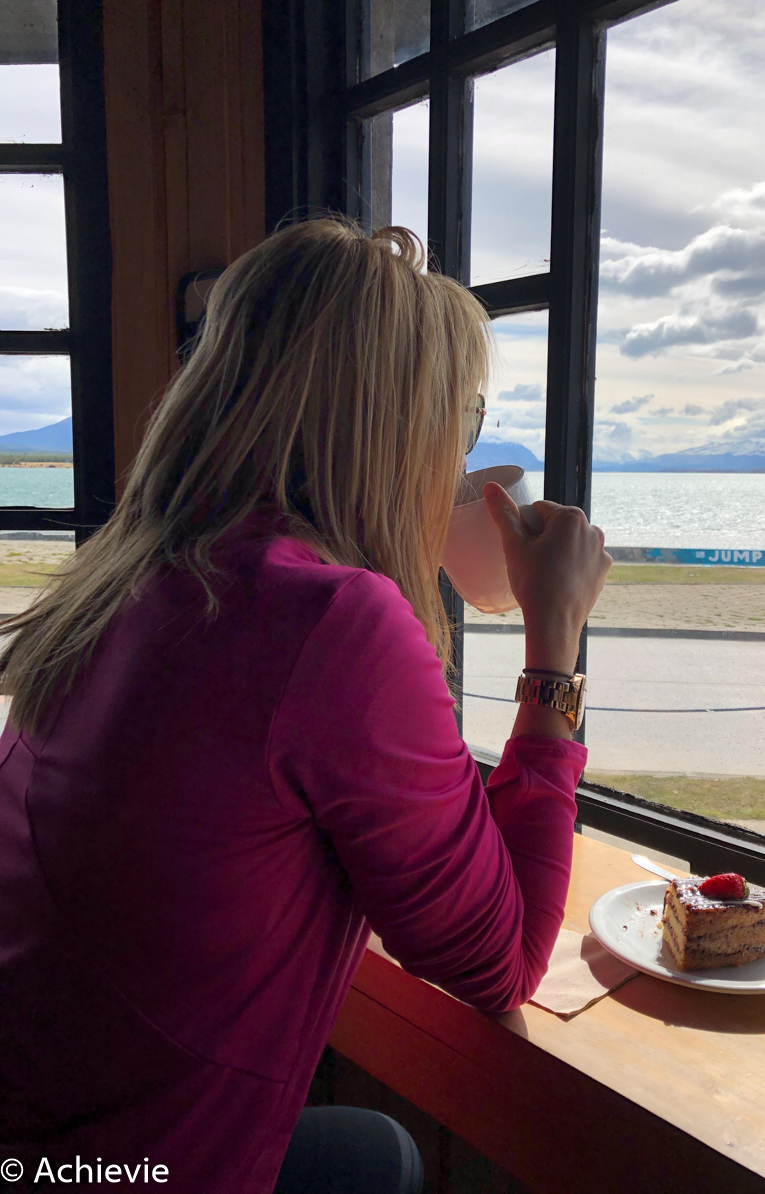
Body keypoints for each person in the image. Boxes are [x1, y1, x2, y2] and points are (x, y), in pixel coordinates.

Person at [0, 219, 610, 1193]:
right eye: (460, 422)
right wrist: (555, 640)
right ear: (396, 435)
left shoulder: (122, 577)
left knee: (376, 1151)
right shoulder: (332, 620)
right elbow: (502, 961)